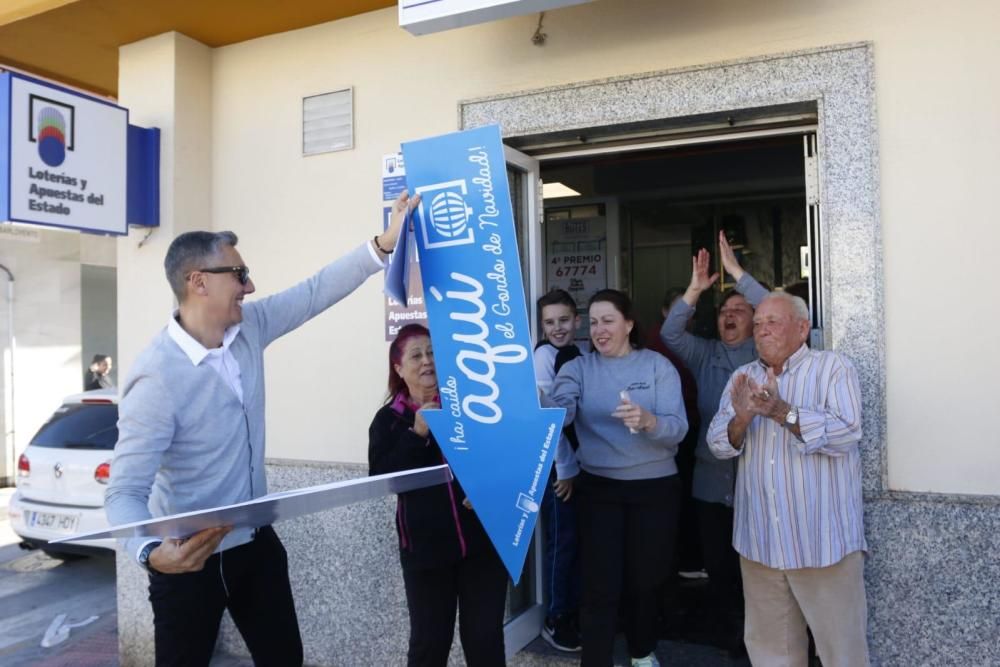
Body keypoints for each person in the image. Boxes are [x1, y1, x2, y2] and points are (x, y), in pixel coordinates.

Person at [104, 191, 420, 667]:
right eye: (239, 275)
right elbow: (123, 491)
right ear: (198, 283)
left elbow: (314, 291)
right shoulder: (156, 378)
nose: (249, 287)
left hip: (256, 546)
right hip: (189, 562)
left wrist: (384, 243)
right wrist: (151, 553)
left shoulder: (249, 327)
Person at [707, 292, 869, 666]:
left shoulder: (833, 368)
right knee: (771, 655)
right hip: (761, 544)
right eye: (759, 323)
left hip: (823, 545)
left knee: (843, 653)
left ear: (801, 327)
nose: (762, 330)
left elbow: (847, 433)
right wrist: (743, 417)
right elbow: (718, 444)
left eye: (772, 322)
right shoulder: (741, 377)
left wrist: (781, 412)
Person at [547, 289, 688, 667]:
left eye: (608, 320)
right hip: (600, 489)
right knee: (599, 584)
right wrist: (546, 406)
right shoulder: (577, 369)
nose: (599, 330)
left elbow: (678, 429)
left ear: (628, 324)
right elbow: (561, 413)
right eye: (592, 322)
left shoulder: (658, 367)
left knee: (646, 579)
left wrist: (649, 421)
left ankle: (642, 651)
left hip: (655, 489)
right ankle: (595, 660)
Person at [368, 323, 507, 667]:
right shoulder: (388, 420)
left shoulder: (471, 403)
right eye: (417, 355)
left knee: (485, 640)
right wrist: (417, 434)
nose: (428, 360)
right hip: (426, 551)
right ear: (399, 369)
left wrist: (489, 490)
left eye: (432, 352)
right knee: (429, 645)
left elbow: (502, 456)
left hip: (482, 545)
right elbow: (382, 480)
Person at [659, 230, 768, 651]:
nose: (731, 314)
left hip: (753, 481)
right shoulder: (703, 353)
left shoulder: (766, 353)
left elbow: (778, 312)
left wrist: (738, 274)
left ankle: (757, 642)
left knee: (754, 570)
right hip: (709, 483)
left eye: (741, 309)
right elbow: (670, 334)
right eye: (725, 308)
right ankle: (729, 640)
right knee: (719, 569)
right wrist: (694, 289)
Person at [533, 289, 583, 652]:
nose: (557, 328)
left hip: (578, 467)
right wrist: (564, 468)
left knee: (574, 543)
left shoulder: (579, 355)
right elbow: (550, 422)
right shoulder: (543, 358)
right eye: (549, 322)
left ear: (576, 320)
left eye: (563, 320)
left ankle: (572, 608)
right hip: (557, 468)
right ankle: (556, 617)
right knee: (561, 544)